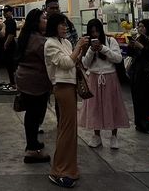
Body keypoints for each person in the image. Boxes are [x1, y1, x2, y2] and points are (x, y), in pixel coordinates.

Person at [44, 12, 88, 188]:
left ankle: (69, 168)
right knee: (67, 129)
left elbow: (74, 61)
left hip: (71, 86)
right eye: (61, 24)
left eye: (65, 25)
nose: (65, 28)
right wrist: (78, 48)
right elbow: (65, 63)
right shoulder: (50, 44)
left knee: (70, 129)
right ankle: (59, 170)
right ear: (53, 26)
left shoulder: (66, 42)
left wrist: (79, 51)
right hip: (62, 87)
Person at [80, 18, 130, 149]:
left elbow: (118, 58)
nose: (95, 34)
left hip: (110, 77)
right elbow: (85, 64)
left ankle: (114, 136)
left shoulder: (110, 40)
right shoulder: (86, 44)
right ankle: (96, 136)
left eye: (97, 31)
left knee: (112, 106)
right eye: (92, 32)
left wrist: (102, 48)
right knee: (94, 107)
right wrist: (91, 50)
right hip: (94, 78)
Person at [14, 8, 51, 163]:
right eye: (44, 18)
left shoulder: (26, 36)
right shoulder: (40, 40)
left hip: (24, 79)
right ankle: (31, 150)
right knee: (34, 114)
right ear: (37, 22)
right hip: (35, 81)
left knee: (31, 114)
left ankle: (33, 142)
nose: (46, 21)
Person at [127, 19, 149, 133]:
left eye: (142, 26)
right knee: (139, 99)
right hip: (137, 73)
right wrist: (132, 46)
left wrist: (141, 47)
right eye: (139, 26)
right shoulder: (139, 38)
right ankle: (141, 124)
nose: (140, 29)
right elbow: (132, 55)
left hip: (148, 74)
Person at [2, 5, 18, 90]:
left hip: (10, 46)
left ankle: (14, 83)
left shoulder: (11, 22)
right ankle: (12, 82)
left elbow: (11, 35)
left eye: (7, 11)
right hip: (8, 46)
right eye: (4, 11)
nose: (5, 13)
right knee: (9, 66)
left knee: (11, 66)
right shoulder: (6, 22)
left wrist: (5, 44)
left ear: (11, 12)